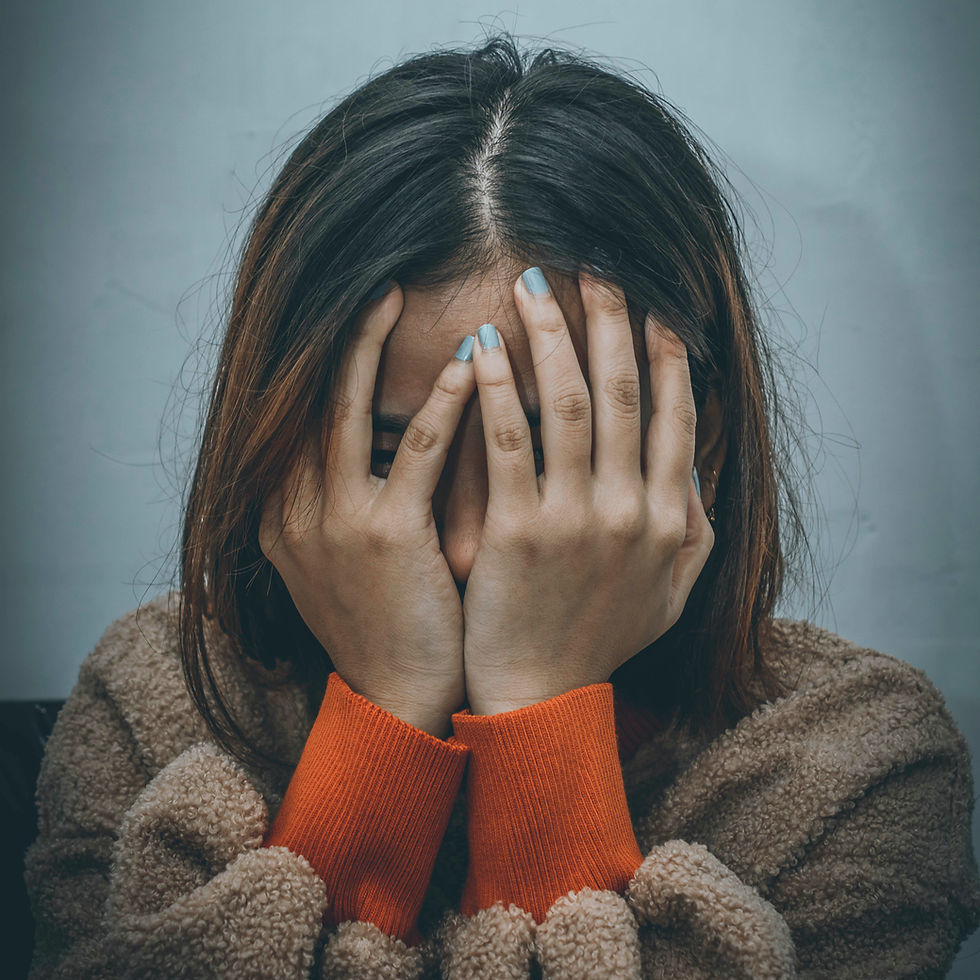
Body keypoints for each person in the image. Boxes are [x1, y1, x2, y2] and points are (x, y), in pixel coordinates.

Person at [25, 33, 980, 979]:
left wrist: (540, 706)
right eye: (397, 458)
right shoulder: (160, 706)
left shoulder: (856, 765)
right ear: (277, 444)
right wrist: (385, 717)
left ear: (704, 437)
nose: (477, 543)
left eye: (559, 457)